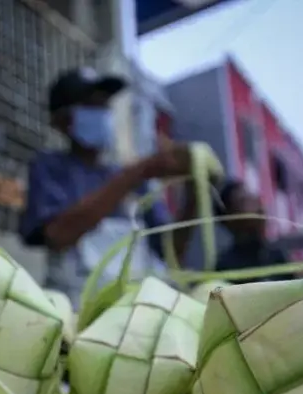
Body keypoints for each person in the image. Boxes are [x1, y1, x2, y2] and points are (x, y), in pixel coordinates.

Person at [20, 67, 196, 308]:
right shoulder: (50, 168)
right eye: (91, 107)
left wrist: (196, 194)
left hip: (136, 310)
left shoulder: (133, 180)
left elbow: (171, 252)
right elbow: (58, 234)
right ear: (61, 121)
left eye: (105, 106)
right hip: (76, 309)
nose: (102, 114)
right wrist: (135, 174)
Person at [213, 180, 294, 282]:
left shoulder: (277, 255)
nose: (258, 205)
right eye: (244, 201)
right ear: (230, 218)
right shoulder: (226, 268)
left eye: (253, 196)